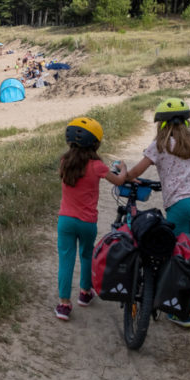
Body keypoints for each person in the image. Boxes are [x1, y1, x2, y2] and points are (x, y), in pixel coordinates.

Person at [123, 97, 190, 329]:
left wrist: (123, 171)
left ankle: (179, 310)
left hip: (180, 206)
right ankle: (186, 293)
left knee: (175, 255)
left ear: (161, 124)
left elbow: (135, 172)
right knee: (188, 245)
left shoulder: (159, 145)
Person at [54, 118, 127, 321]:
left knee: (66, 260)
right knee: (86, 256)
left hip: (65, 221)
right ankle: (85, 294)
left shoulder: (64, 162)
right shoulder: (98, 166)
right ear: (95, 143)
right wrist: (123, 168)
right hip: (87, 222)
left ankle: (63, 304)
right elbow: (120, 180)